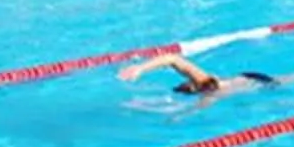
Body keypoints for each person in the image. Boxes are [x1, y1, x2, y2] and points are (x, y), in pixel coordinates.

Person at [119, 53, 280, 103]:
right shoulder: (205, 86)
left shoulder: (207, 90)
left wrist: (140, 68)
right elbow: (173, 60)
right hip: (251, 78)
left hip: (255, 82)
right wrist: (140, 68)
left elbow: (173, 58)